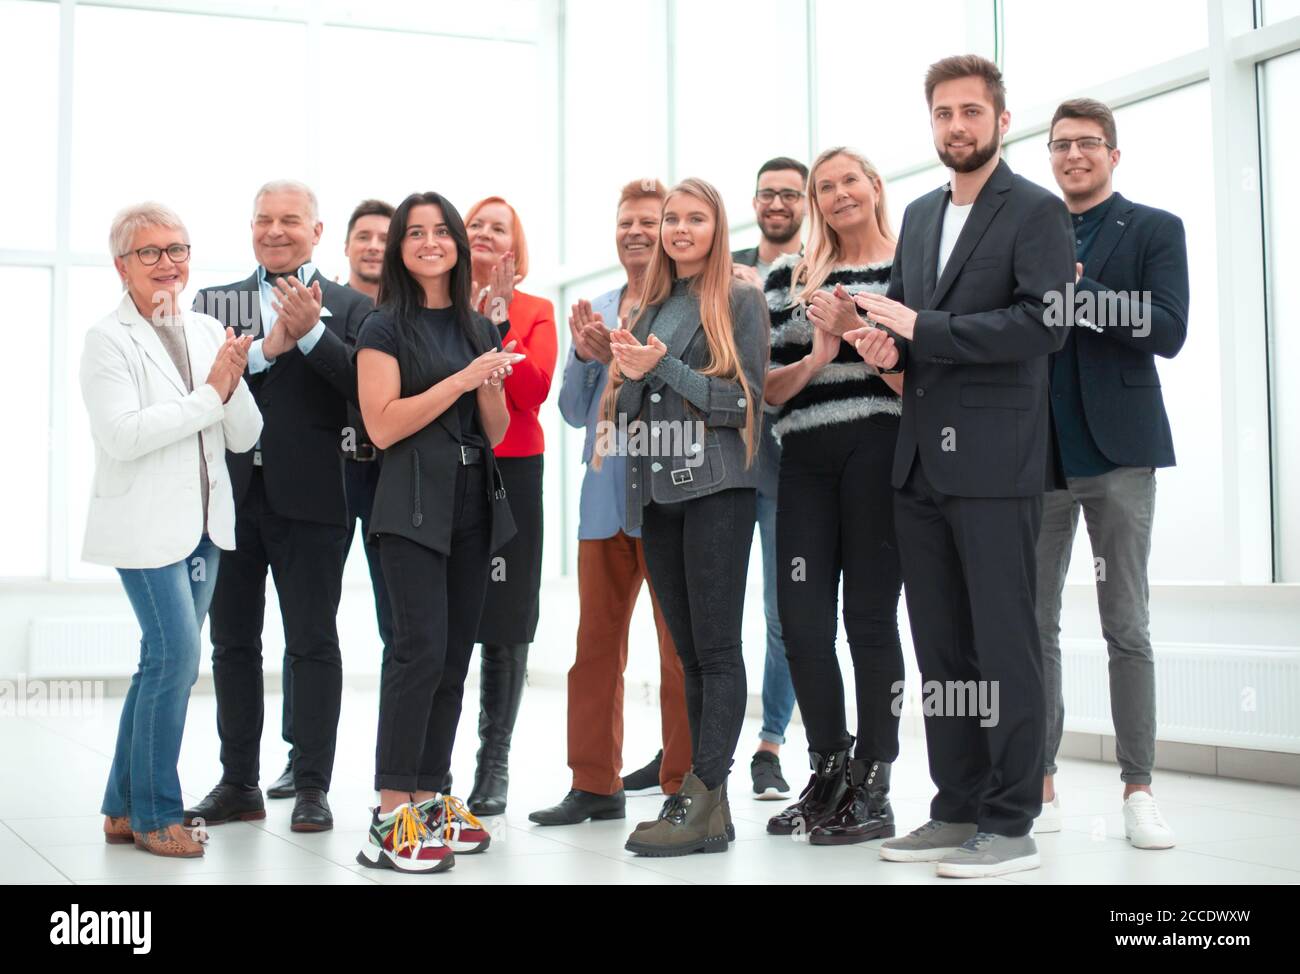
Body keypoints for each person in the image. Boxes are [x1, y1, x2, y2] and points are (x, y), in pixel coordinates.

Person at [851, 55, 1074, 878]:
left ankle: (1011, 821)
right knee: (941, 648)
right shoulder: (915, 215)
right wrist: (886, 344)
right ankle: (956, 806)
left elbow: (1043, 325)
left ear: (1001, 120)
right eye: (944, 114)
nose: (956, 127)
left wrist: (924, 327)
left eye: (971, 112)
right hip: (919, 464)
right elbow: (915, 342)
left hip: (995, 465)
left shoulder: (1037, 213)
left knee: (1004, 645)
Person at [184, 180, 372, 834]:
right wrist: (267, 350)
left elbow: (361, 388)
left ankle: (312, 784)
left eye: (289, 220)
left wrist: (312, 335)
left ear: (317, 231)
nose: (274, 230)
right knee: (233, 644)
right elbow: (203, 385)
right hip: (230, 499)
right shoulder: (215, 303)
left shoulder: (351, 307)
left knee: (313, 642)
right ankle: (238, 782)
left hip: (316, 498)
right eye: (263, 220)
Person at [82, 202, 261, 858]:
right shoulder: (108, 339)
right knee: (175, 659)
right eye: (150, 253)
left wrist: (231, 386)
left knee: (161, 664)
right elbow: (123, 436)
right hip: (145, 527)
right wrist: (210, 396)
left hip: (206, 527)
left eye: (177, 250)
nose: (167, 264)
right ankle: (159, 814)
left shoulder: (209, 330)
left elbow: (245, 434)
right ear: (121, 265)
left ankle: (121, 808)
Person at [1034, 98, 1187, 849]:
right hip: (1038, 455)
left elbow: (1167, 329)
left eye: (1087, 143)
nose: (1073, 155)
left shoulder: (1155, 228)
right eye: (1060, 144)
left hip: (1120, 450)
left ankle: (1138, 788)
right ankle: (1041, 783)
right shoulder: (1027, 234)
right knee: (1032, 626)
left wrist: (1080, 290)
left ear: (1113, 155)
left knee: (1126, 624)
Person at [354, 191, 522, 873]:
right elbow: (383, 424)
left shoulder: (476, 326)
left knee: (454, 658)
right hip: (410, 509)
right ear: (399, 247)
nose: (430, 242)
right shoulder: (381, 327)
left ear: (457, 244)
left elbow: (498, 430)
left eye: (440, 232)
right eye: (414, 232)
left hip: (471, 505)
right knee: (417, 654)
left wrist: (487, 379)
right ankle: (389, 814)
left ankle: (428, 797)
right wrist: (463, 380)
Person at [603, 177, 770, 856]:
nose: (678, 229)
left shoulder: (739, 298)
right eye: (672, 218)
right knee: (690, 656)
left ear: (716, 228)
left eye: (694, 219)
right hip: (657, 496)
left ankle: (700, 798)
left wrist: (661, 368)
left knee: (718, 651)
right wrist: (630, 379)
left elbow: (745, 405)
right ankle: (709, 807)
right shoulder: (647, 307)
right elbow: (618, 413)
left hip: (717, 490)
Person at [529, 179, 692, 827]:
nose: (634, 231)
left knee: (678, 649)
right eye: (626, 221)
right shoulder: (595, 308)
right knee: (594, 648)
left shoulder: (688, 310)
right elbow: (572, 413)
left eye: (648, 221)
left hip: (670, 499)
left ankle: (683, 782)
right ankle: (595, 783)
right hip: (603, 505)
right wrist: (585, 357)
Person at [761, 147, 905, 845]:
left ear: (875, 187)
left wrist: (857, 333)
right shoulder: (789, 278)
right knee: (802, 622)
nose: (840, 193)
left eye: (851, 180)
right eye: (827, 186)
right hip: (807, 462)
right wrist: (819, 354)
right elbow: (763, 387)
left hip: (879, 455)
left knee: (870, 621)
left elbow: (926, 379)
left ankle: (876, 783)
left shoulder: (912, 269)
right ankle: (829, 772)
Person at [265, 197, 397, 802]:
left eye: (383, 237)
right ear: (342, 245)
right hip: (324, 477)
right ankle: (303, 756)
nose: (373, 245)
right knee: (310, 623)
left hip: (389, 478)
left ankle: (402, 764)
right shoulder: (323, 303)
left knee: (401, 626)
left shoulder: (405, 310)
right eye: (362, 236)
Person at [463, 196, 558, 816]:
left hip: (514, 468)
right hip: (449, 465)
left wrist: (498, 322)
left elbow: (532, 391)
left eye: (499, 228)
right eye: (475, 225)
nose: (485, 234)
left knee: (506, 619)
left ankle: (492, 763)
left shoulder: (536, 311)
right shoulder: (434, 306)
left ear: (514, 251)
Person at [729, 157, 808, 800]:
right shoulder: (723, 269)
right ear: (754, 201)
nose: (777, 202)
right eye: (768, 193)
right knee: (712, 613)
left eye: (790, 193)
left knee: (783, 616)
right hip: (725, 466)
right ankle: (699, 746)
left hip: (790, 467)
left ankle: (770, 744)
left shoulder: (817, 271)